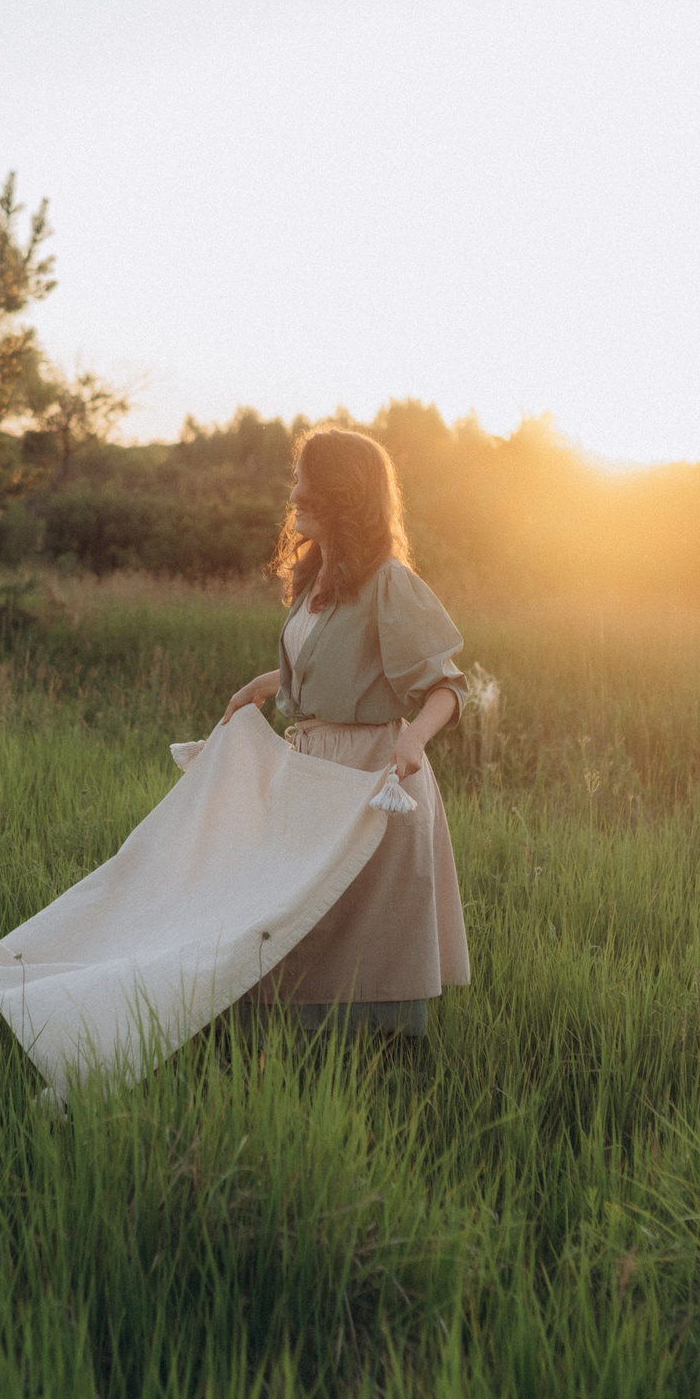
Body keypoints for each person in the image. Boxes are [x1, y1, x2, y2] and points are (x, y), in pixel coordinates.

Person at [219, 429, 470, 1035]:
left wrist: (414, 739)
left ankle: (364, 1056)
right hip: (312, 765)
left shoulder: (388, 581)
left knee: (347, 922)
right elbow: (330, 667)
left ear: (341, 494)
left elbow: (447, 686)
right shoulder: (316, 580)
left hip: (368, 773)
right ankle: (283, 1041)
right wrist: (263, 685)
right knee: (292, 906)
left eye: (304, 481)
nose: (293, 494)